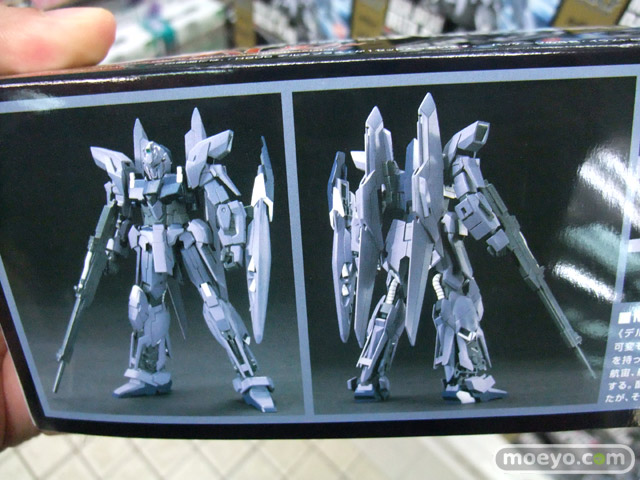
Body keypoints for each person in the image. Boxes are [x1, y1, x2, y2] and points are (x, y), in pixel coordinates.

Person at [0, 4, 116, 449]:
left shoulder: (175, 175)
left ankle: (245, 370)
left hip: (175, 238)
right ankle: (146, 369)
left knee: (209, 294)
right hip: (139, 242)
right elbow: (112, 220)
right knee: (138, 302)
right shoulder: (122, 178)